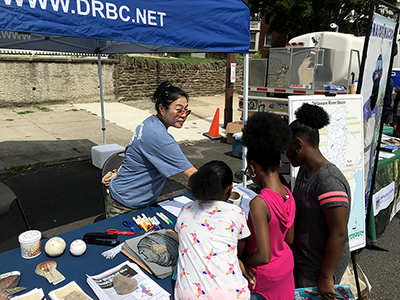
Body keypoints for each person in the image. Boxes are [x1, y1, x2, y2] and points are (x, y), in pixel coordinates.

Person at [285, 103, 351, 300]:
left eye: (286, 148)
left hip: (320, 268)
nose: (285, 154)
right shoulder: (305, 171)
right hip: (306, 261)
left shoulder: (328, 181)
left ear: (298, 144)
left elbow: (339, 233)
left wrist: (326, 276)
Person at [102, 81, 197, 217]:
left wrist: (119, 172)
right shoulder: (159, 137)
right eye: (179, 109)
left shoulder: (148, 123)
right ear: (162, 109)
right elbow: (194, 175)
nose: (184, 115)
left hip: (128, 196)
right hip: (126, 205)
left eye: (186, 110)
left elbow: (132, 153)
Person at [174, 160, 251, 299]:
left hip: (188, 295)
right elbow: (239, 250)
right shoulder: (236, 212)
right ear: (229, 189)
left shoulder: (186, 209)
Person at [240, 112, 296, 300]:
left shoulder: (260, 203)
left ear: (253, 169)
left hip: (262, 277)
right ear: (279, 163)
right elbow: (289, 239)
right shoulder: (289, 194)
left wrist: (239, 261)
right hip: (285, 267)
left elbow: (263, 256)